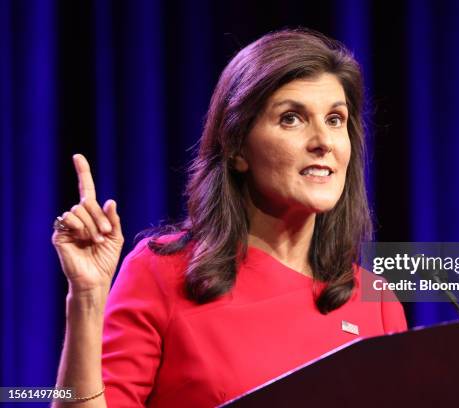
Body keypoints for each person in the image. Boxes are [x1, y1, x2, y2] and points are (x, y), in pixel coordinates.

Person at [52, 28, 407, 407]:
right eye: (291, 118)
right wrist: (87, 299)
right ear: (238, 148)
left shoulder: (377, 302)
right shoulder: (161, 273)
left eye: (336, 119)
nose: (323, 141)